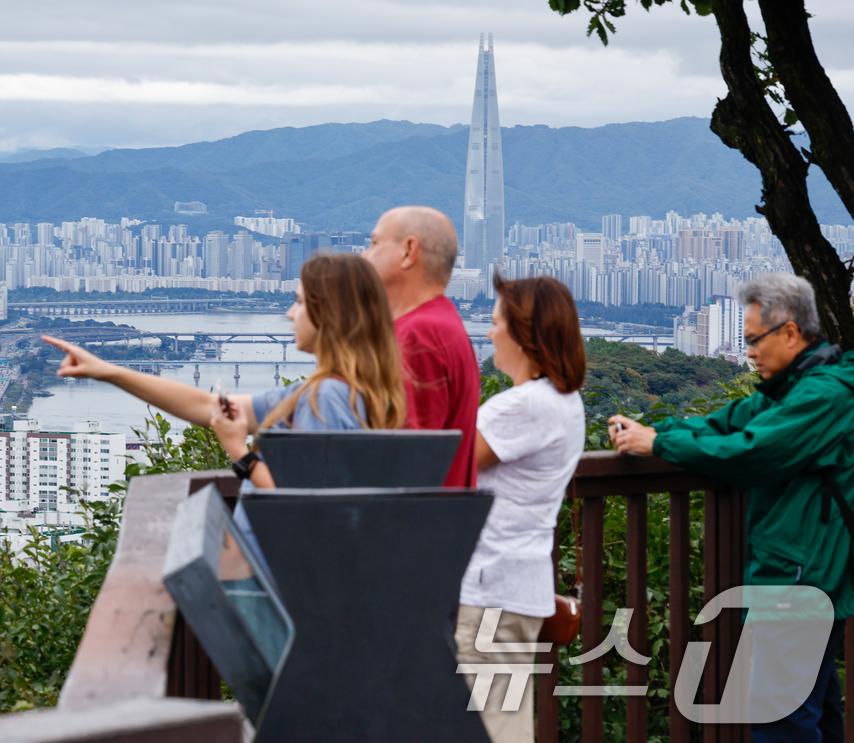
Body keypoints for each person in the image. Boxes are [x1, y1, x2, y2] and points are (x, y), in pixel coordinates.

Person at [610, 273, 854, 742]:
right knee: (813, 712)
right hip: (798, 573)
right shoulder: (789, 390)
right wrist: (658, 433)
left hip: (802, 579)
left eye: (753, 340)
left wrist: (660, 444)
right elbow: (722, 425)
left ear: (789, 333)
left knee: (779, 718)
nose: (749, 353)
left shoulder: (824, 396)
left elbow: (752, 452)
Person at [43, 252, 410, 490]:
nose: (289, 314)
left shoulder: (327, 398)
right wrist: (109, 372)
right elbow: (209, 407)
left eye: (299, 302)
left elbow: (306, 508)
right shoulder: (329, 392)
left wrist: (240, 452)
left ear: (329, 315)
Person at [453, 275, 586, 743]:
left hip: (491, 590)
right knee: (501, 725)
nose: (488, 334)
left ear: (524, 333)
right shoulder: (564, 401)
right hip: (517, 586)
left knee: (495, 730)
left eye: (494, 323)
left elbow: (446, 468)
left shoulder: (523, 406)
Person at [361, 206, 480, 486]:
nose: (365, 255)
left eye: (375, 243)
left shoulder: (419, 336)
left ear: (408, 251)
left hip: (411, 526)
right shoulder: (442, 322)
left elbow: (406, 464)